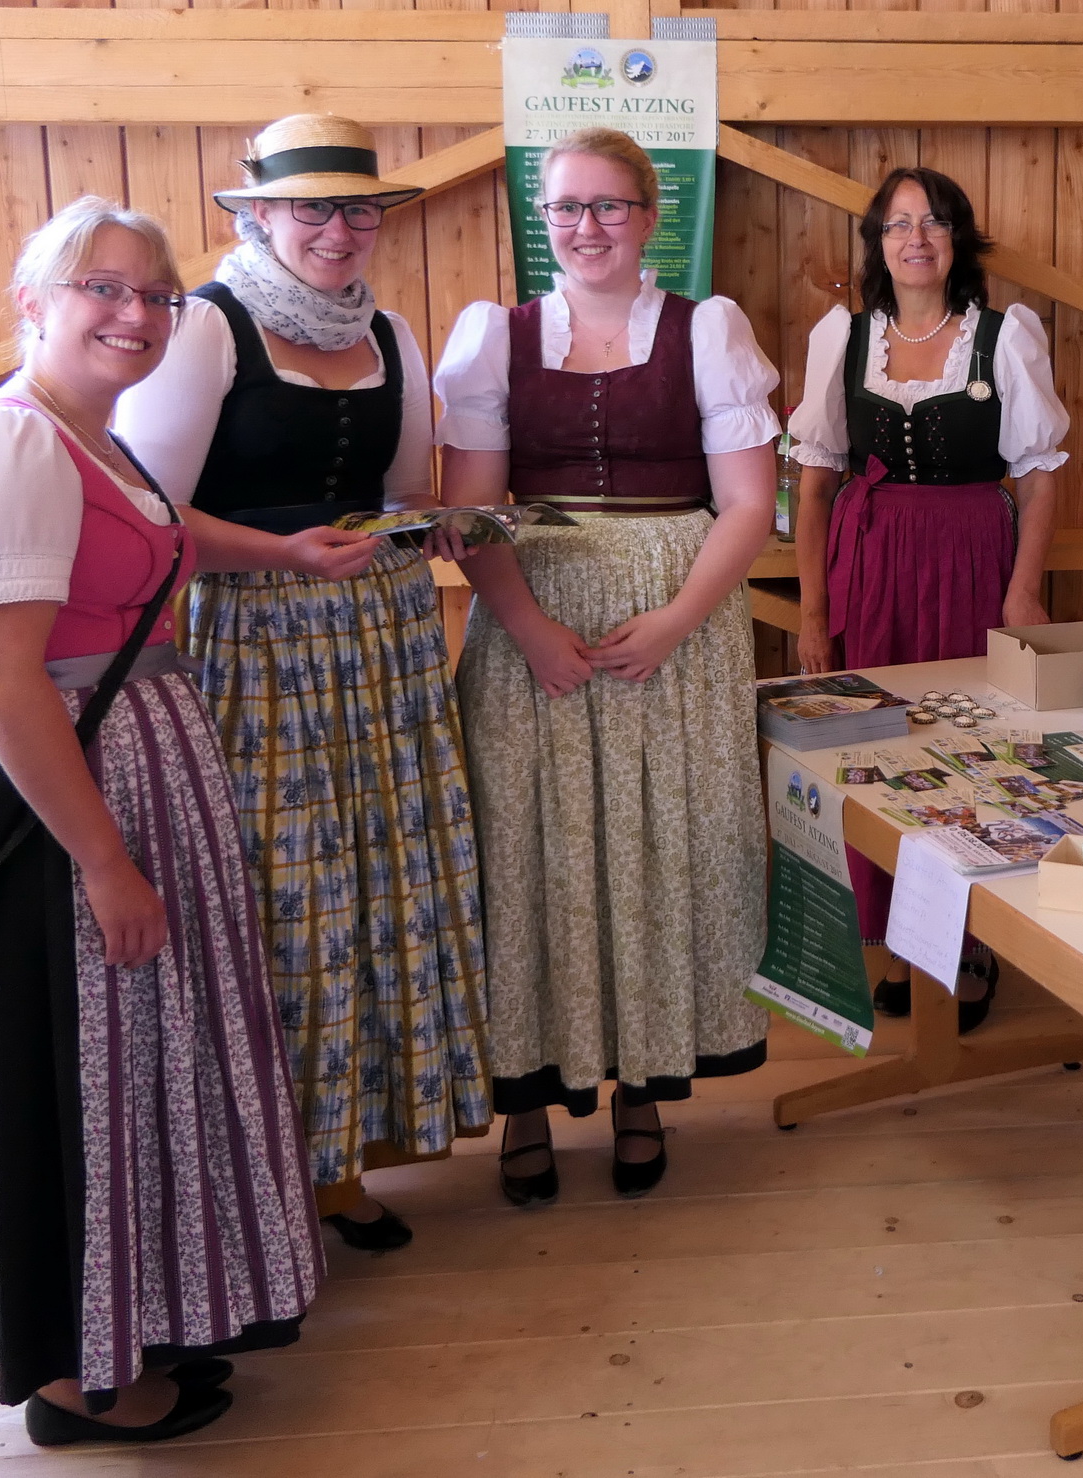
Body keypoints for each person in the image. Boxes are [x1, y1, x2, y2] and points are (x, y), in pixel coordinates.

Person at [0, 197, 321, 1444]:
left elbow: (160, 532)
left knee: (130, 1061)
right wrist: (104, 859)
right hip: (50, 805)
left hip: (122, 776)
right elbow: (2, 673)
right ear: (33, 301)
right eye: (103, 287)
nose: (135, 313)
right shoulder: (13, 442)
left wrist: (292, 555)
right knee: (67, 1071)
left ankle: (134, 1317)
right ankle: (69, 1376)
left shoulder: (92, 440)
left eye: (156, 294)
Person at [117, 114, 491, 1253]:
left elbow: (399, 489)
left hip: (378, 640)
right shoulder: (207, 328)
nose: (337, 228)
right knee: (281, 895)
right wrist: (280, 551)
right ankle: (259, 1172)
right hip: (254, 641)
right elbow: (144, 513)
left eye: (357, 207)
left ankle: (345, 1162)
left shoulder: (390, 330)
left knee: (375, 887)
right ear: (262, 215)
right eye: (311, 207)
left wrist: (434, 526)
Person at [432, 127, 777, 1203]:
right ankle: (526, 1098)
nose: (587, 227)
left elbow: (750, 504)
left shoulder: (707, 329)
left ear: (648, 216)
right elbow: (471, 512)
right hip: (529, 628)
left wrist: (675, 619)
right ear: (544, 221)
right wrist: (528, 627)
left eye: (609, 206)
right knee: (528, 849)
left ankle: (643, 1081)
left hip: (679, 632)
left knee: (661, 845)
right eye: (566, 207)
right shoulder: (495, 336)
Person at [789, 166, 1068, 1031]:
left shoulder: (1004, 336)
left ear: (957, 240)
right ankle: (903, 941)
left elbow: (1039, 474)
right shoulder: (842, 338)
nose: (916, 238)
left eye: (934, 222)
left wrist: (1023, 590)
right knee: (879, 752)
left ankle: (973, 942)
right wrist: (811, 613)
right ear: (877, 244)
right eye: (898, 224)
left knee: (973, 749)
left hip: (970, 558)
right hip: (870, 563)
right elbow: (814, 482)